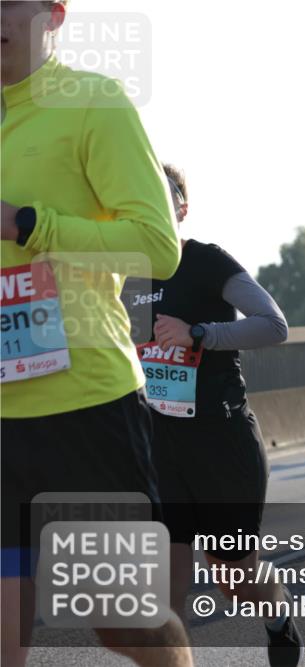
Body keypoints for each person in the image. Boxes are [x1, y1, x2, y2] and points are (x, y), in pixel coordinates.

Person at [1, 3, 193, 665]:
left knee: (122, 623)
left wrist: (30, 224)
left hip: (81, 405)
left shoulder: (94, 103)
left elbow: (155, 246)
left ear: (53, 13)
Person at [122, 165, 302, 666]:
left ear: (182, 207)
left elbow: (274, 325)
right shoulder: (121, 274)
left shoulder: (205, 262)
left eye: (166, 192)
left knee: (236, 579)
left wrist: (199, 333)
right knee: (164, 603)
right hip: (157, 454)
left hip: (221, 444)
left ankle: (277, 616)